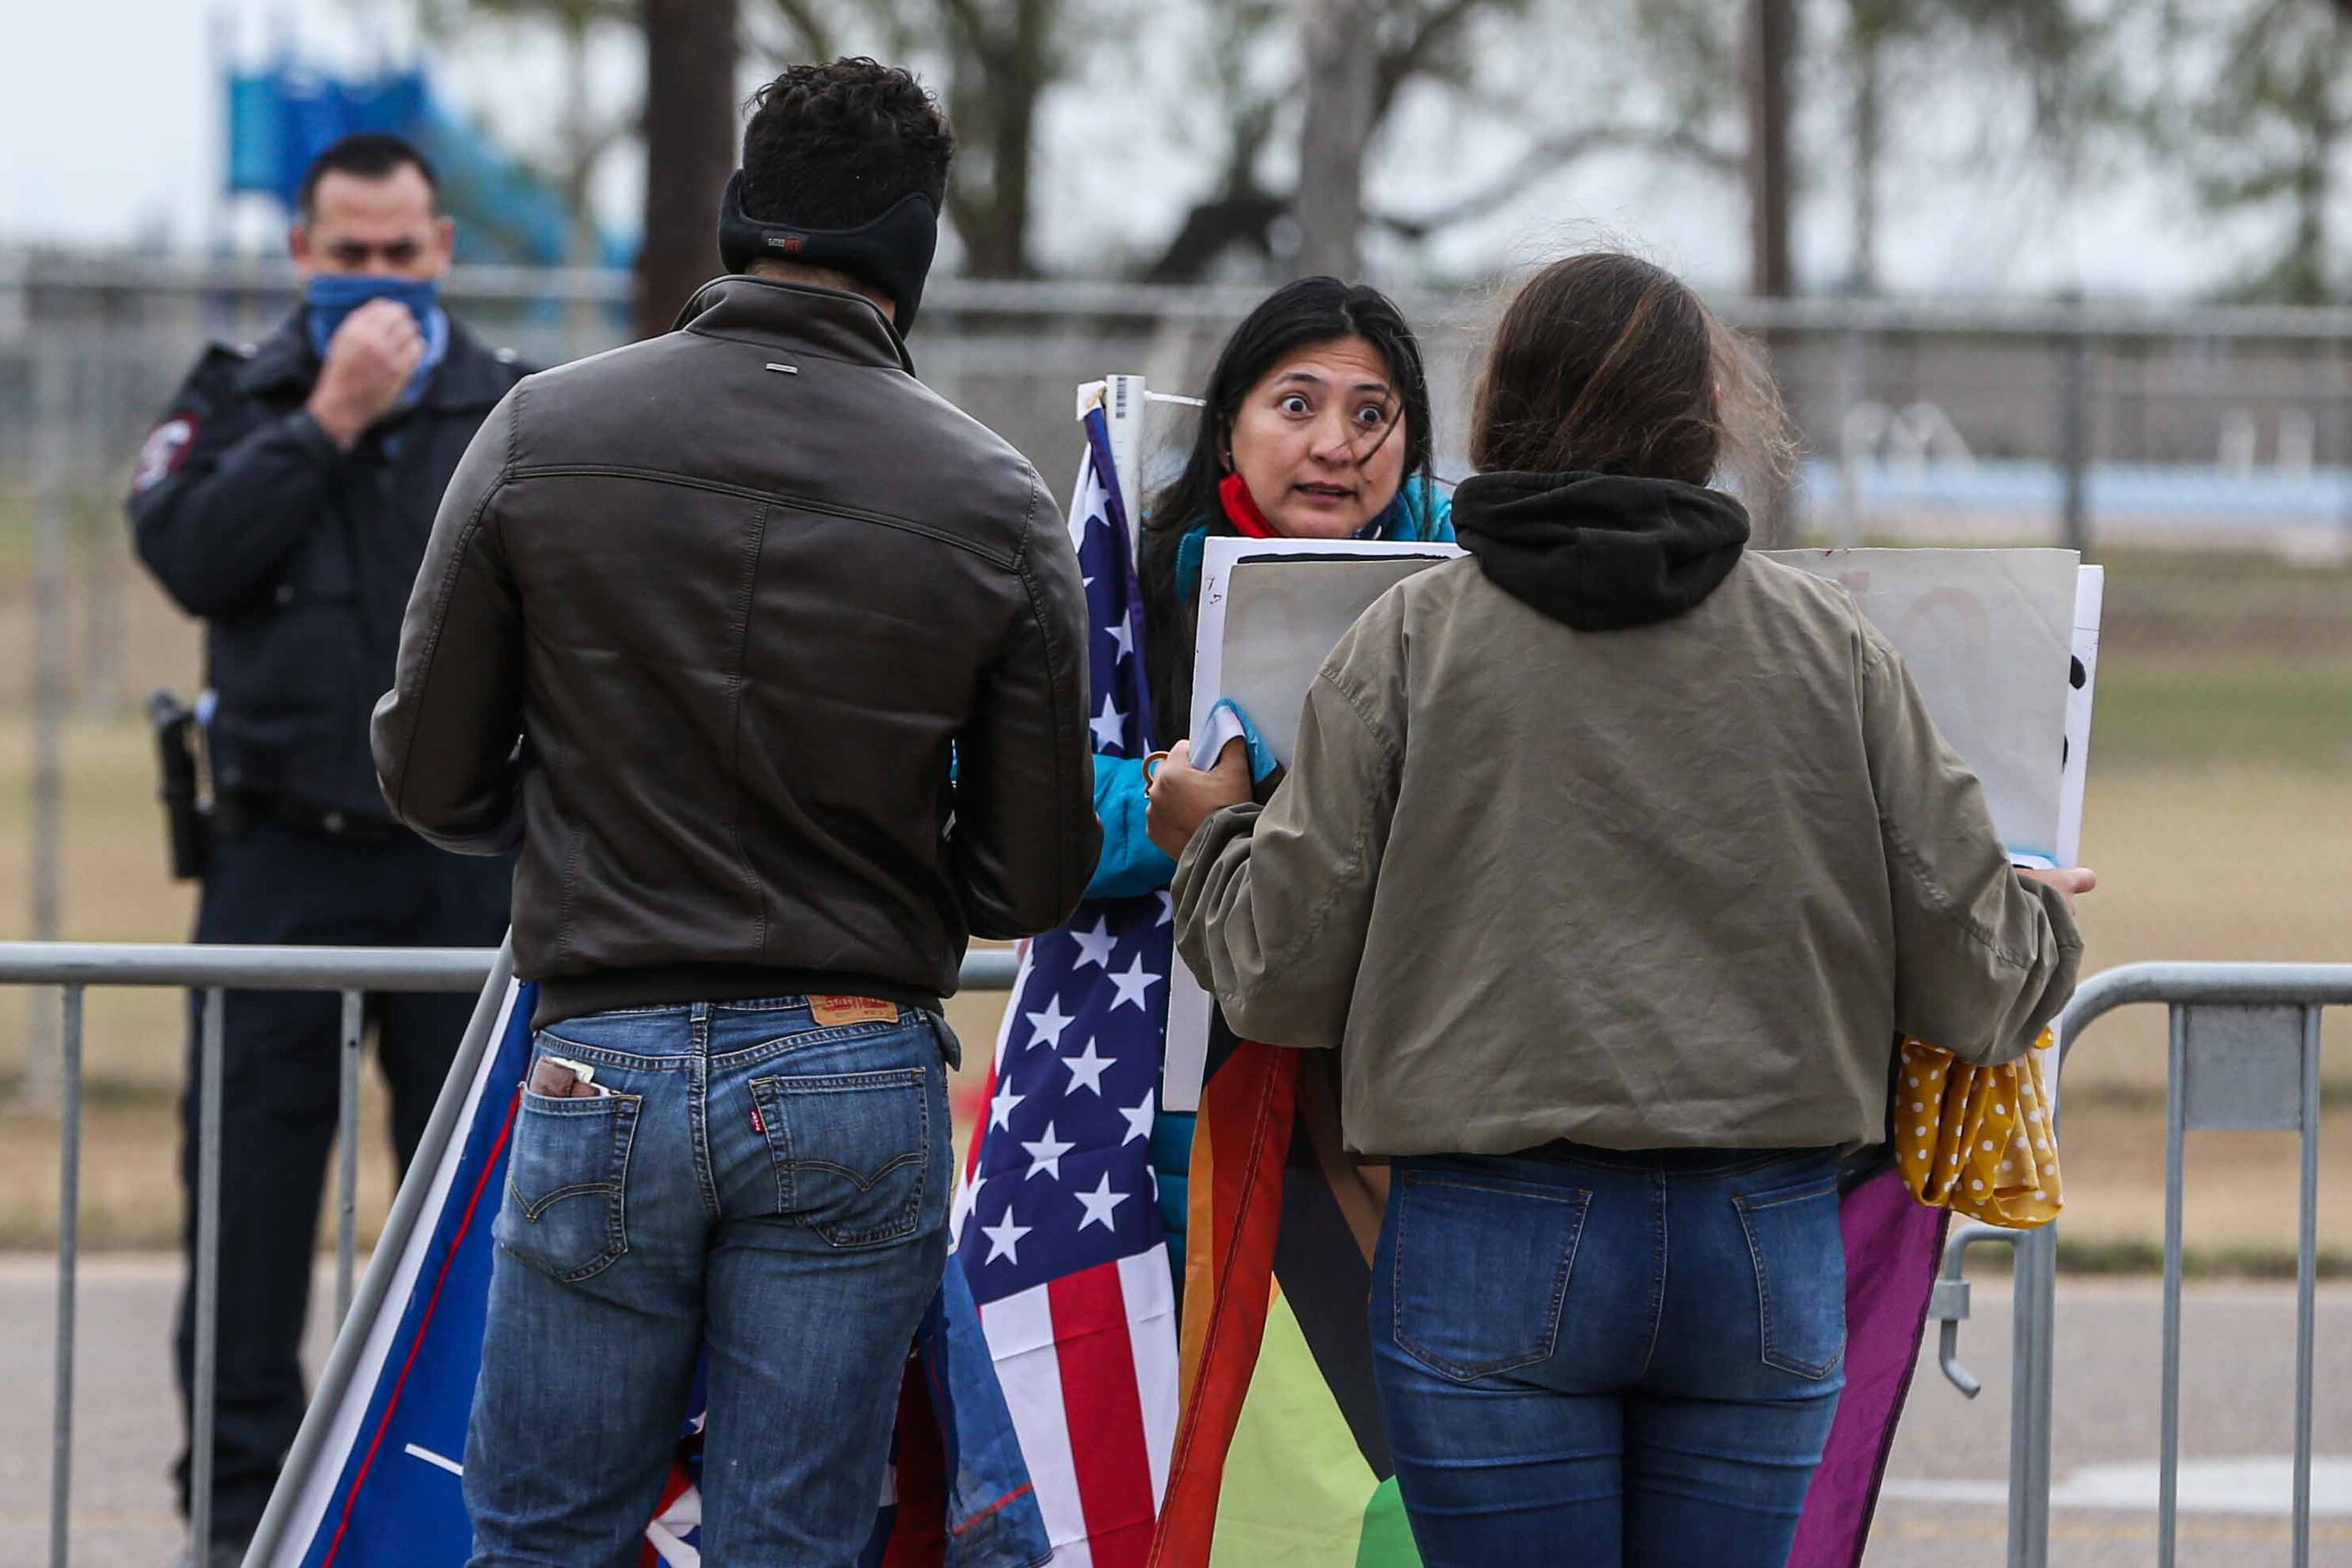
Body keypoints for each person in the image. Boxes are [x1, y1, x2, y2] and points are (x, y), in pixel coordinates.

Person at [1147, 251, 2092, 1567]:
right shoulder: (1831, 646)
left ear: (1500, 416)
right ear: (1700, 423)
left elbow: (1279, 971)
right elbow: (1982, 979)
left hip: (1490, 1229)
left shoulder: (1408, 644)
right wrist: (2036, 912)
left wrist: (1210, 839)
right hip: (1761, 1238)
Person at [371, 58, 1096, 1565]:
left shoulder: (538, 431)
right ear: (916, 250)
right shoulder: (989, 497)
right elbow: (1030, 869)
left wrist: (590, 820)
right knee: (792, 1539)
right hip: (852, 1052)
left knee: (545, 1532)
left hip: (604, 1049)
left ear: (736, 212)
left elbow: (430, 774)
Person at [127, 131, 526, 1567]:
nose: (375, 280)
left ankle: (471, 1517)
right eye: (346, 254)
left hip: (466, 868)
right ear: (301, 253)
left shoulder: (520, 410)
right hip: (277, 861)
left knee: (487, 1221)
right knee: (244, 1216)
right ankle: (238, 1527)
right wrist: (327, 419)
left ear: (443, 253)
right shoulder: (237, 396)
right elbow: (184, 551)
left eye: (401, 253)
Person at [1093, 276, 1450, 1272]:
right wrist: (1182, 809)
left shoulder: (1468, 592)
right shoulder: (1120, 582)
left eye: (1372, 414)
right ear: (1224, 431)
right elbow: (1019, 797)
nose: (1336, 445)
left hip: (1393, 1111)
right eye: (1298, 405)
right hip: (1156, 1095)